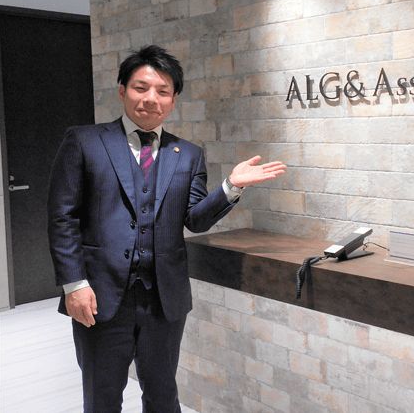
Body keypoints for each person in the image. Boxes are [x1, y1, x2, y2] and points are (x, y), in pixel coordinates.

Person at [47, 44, 286, 413]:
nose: (151, 99)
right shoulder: (84, 141)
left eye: (163, 91)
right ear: (122, 90)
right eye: (141, 88)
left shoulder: (187, 154)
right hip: (99, 294)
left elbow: (195, 219)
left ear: (173, 99)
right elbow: (62, 217)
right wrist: (74, 285)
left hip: (164, 298)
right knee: (101, 398)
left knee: (163, 396)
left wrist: (231, 186)